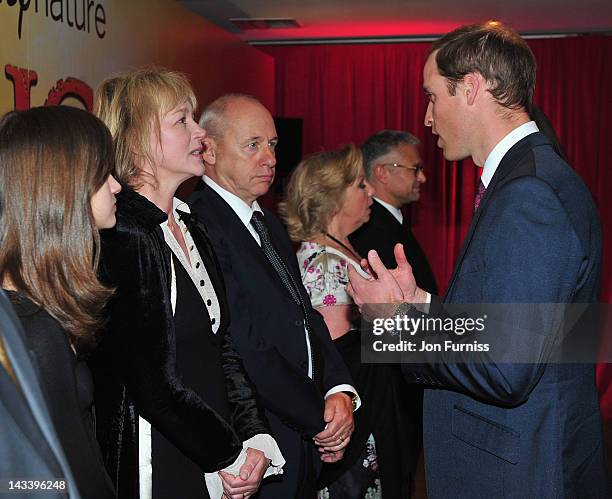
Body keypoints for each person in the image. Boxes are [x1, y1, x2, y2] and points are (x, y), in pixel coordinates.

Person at [347, 21, 608, 498]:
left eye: (432, 97)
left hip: (519, 470)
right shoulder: (533, 176)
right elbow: (520, 328)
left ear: (471, 88)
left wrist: (394, 322)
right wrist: (422, 303)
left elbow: (506, 365)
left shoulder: (529, 192)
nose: (427, 118)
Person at [90, 69, 283, 499]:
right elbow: (152, 385)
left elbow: (223, 346)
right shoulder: (124, 235)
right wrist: (229, 457)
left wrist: (252, 438)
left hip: (210, 451)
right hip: (158, 460)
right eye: (182, 120)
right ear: (139, 139)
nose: (200, 132)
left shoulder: (191, 224)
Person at [188, 93, 357, 499]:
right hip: (258, 441)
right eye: (252, 145)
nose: (269, 158)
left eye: (273, 145)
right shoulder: (200, 222)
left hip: (300, 437)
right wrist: (318, 417)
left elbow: (307, 317)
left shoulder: (266, 223)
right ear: (208, 150)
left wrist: (338, 390)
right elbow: (246, 344)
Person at [281, 144, 416, 498]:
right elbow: (338, 360)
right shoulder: (325, 264)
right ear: (332, 197)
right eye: (359, 184)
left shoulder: (342, 253)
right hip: (358, 433)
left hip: (373, 418)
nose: (370, 190)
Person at [0, 105, 120, 499]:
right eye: (104, 173)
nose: (116, 186)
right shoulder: (34, 328)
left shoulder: (27, 310)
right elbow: (64, 478)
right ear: (65, 189)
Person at [350, 130, 437, 294]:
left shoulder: (389, 219)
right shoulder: (368, 229)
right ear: (382, 173)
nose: (422, 178)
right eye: (415, 169)